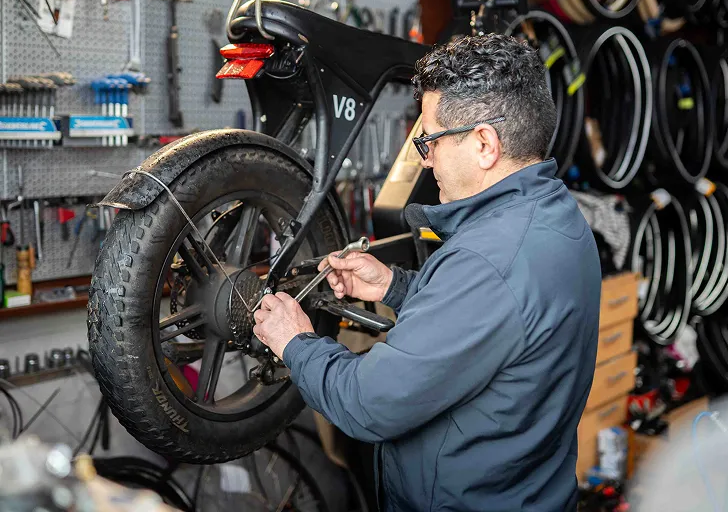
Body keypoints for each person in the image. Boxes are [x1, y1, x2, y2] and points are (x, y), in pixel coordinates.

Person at [253, 33, 602, 511]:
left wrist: (295, 342)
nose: (424, 157)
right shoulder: (554, 216)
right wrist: (394, 286)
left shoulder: (489, 260)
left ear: (484, 144)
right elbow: (496, 322)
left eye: (430, 139)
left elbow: (369, 403)